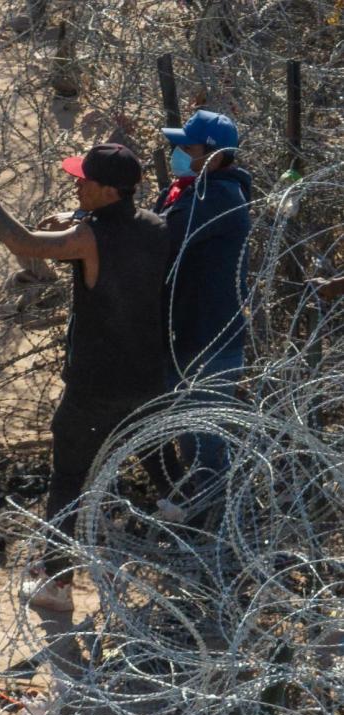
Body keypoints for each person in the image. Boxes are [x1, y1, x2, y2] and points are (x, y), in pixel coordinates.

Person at [0, 142, 170, 613]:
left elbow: (23, 243)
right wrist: (75, 216)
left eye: (84, 181)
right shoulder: (155, 226)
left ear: (109, 191)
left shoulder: (89, 239)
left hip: (96, 386)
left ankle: (58, 583)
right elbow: (114, 230)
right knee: (156, 457)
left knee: (69, 478)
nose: (76, 182)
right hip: (150, 377)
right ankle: (191, 534)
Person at [151, 110, 252, 521]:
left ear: (215, 154)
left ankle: (220, 533)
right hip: (188, 334)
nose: (178, 152)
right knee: (191, 436)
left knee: (205, 442)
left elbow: (161, 237)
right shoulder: (191, 190)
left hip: (211, 339)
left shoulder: (219, 197)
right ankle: (203, 518)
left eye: (187, 147)